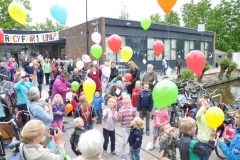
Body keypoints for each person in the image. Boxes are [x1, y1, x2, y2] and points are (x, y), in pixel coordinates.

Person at [118, 94, 137, 160]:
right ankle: (123, 154)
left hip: (131, 128)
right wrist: (120, 117)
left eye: (127, 98)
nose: (126, 99)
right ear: (123, 100)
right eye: (124, 98)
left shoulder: (133, 109)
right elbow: (119, 120)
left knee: (131, 141)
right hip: (124, 127)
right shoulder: (120, 109)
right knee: (124, 142)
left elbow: (135, 117)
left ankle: (130, 152)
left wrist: (133, 122)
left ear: (130, 100)